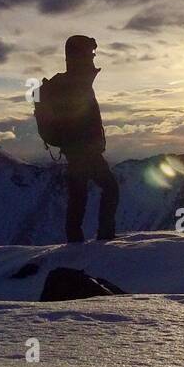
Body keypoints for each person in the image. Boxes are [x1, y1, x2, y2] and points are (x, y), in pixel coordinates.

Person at [55, 35, 119, 243]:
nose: (93, 56)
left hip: (76, 150)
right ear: (80, 55)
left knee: (78, 196)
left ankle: (75, 241)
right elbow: (81, 120)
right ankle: (104, 236)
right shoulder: (77, 84)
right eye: (90, 53)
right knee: (109, 188)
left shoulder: (72, 82)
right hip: (84, 151)